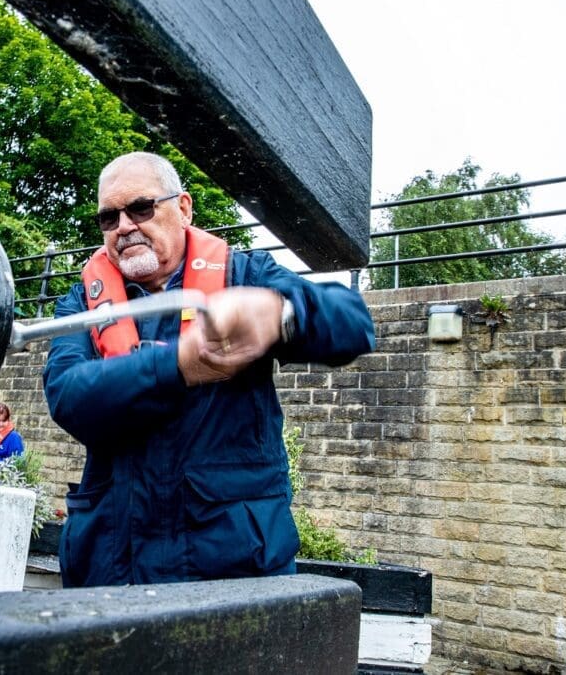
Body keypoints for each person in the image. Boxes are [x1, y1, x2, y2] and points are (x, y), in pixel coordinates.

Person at [42, 151, 375, 588]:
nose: (124, 226)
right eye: (109, 217)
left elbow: (353, 323)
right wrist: (179, 364)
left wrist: (279, 314)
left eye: (141, 208)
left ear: (183, 208)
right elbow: (68, 395)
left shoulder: (245, 274)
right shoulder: (80, 303)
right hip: (111, 571)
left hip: (232, 571)